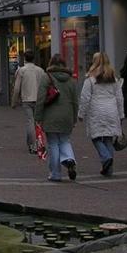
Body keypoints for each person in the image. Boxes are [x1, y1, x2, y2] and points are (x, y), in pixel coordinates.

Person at [78, 52, 124, 177]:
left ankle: (106, 158)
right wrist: (121, 114)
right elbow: (119, 98)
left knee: (96, 137)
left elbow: (85, 98)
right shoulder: (114, 79)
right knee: (108, 138)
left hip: (96, 111)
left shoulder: (90, 79)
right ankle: (109, 169)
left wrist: (81, 113)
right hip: (112, 110)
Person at [34, 53, 79, 182]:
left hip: (50, 116)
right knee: (65, 140)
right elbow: (75, 101)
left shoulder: (46, 77)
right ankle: (69, 159)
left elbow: (41, 98)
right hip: (67, 115)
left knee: (53, 143)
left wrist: (38, 117)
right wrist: (74, 117)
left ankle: (55, 173)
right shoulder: (71, 80)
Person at [11, 50, 45, 153]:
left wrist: (14, 101)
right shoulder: (40, 70)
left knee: (30, 121)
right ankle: (38, 144)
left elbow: (17, 88)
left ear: (25, 58)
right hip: (38, 99)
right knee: (37, 122)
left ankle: (33, 146)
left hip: (26, 99)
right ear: (34, 58)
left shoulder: (21, 71)